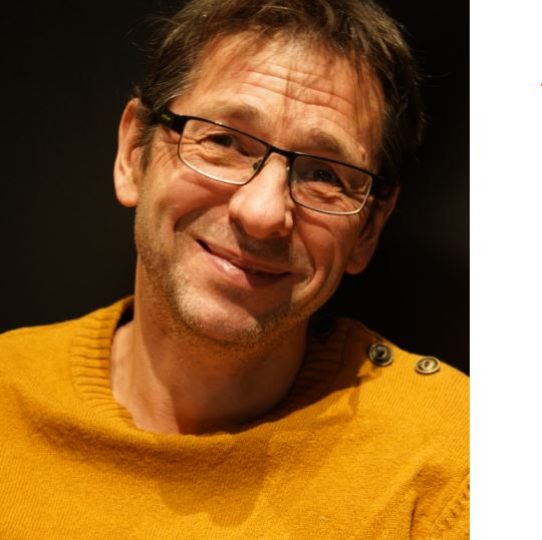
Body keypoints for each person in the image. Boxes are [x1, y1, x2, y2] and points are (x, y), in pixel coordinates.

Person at [0, 0, 468, 537]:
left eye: (325, 174)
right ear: (133, 153)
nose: (262, 213)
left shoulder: (455, 461)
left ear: (369, 229)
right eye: (223, 140)